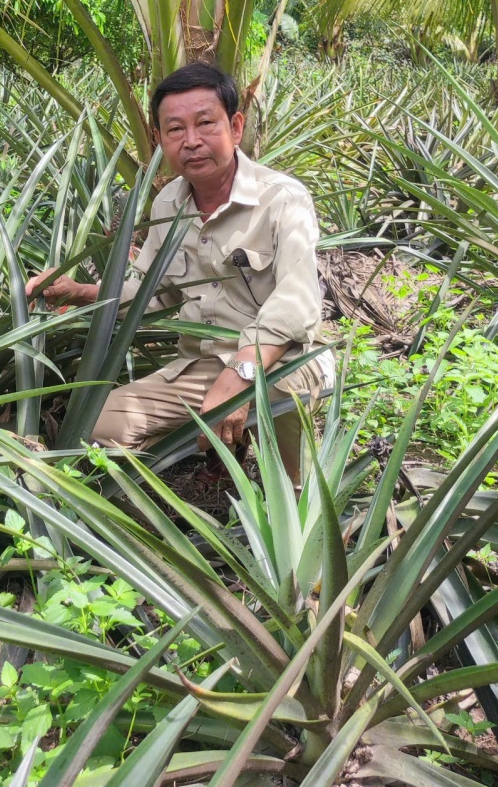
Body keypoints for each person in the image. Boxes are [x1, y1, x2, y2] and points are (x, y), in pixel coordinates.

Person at [25, 62, 332, 483]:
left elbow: (298, 306)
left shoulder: (282, 200)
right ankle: (209, 459)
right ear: (159, 140)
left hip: (284, 361)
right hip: (203, 366)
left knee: (280, 397)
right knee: (98, 428)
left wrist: (241, 373)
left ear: (235, 126)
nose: (192, 141)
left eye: (206, 123)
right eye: (174, 130)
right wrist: (78, 292)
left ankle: (298, 489)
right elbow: (150, 295)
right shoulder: (169, 203)